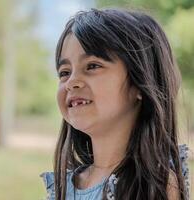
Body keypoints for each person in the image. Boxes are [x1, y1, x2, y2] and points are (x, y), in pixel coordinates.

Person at [40, 8, 190, 200]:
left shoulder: (155, 185)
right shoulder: (62, 188)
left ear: (139, 84)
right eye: (64, 72)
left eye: (92, 66)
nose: (71, 82)